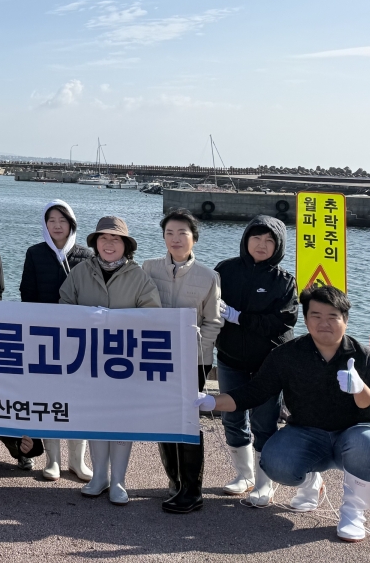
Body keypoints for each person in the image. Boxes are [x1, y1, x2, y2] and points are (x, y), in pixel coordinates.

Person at [201, 286, 370, 543]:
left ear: (345, 320)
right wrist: (210, 402)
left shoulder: (368, 360)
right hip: (307, 432)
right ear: (305, 319)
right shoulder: (287, 355)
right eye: (316, 315)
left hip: (355, 434)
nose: (323, 323)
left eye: (333, 316)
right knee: (275, 463)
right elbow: (253, 393)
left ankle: (353, 511)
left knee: (369, 444)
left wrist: (361, 390)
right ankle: (311, 482)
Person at [58, 216, 160, 505]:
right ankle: (99, 475)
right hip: (87, 359)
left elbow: (153, 316)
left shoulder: (138, 276)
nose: (109, 243)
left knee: (121, 420)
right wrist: (84, 318)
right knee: (94, 417)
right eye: (103, 238)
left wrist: (119, 321)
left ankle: (119, 480)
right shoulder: (80, 272)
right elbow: (64, 306)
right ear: (95, 243)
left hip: (124, 362)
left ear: (126, 245)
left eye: (115, 239)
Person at [142, 209, 222, 514]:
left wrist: (199, 353)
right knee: (164, 418)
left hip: (194, 360)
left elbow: (214, 321)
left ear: (194, 238)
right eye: (169, 233)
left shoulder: (208, 276)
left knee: (187, 420)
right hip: (156, 358)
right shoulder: (147, 268)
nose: (175, 239)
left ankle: (193, 489)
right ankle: (174, 482)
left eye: (182, 233)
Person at [213, 215, 296, 505]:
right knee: (232, 416)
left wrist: (240, 318)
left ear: (279, 246)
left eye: (269, 241)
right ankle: (244, 475)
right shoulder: (225, 269)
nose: (261, 245)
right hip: (230, 357)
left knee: (265, 420)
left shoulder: (284, 281)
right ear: (246, 240)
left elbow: (284, 322)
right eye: (256, 238)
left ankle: (265, 481)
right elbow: (208, 304)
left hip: (269, 364)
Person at [19, 199, 95, 481]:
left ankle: (78, 460)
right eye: (51, 220)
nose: (57, 225)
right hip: (44, 338)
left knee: (78, 399)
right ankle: (53, 459)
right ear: (45, 224)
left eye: (62, 220)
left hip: (78, 340)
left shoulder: (86, 256)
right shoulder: (35, 253)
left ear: (71, 223)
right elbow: (27, 295)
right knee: (48, 399)